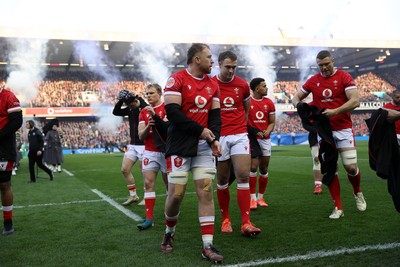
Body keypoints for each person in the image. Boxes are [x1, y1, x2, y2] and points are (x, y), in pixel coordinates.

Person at [161, 43, 223, 263]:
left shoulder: (213, 84)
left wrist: (213, 138)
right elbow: (173, 114)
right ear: (197, 59)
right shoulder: (176, 80)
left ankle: (207, 245)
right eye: (209, 57)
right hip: (180, 146)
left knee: (206, 192)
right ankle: (169, 232)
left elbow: (215, 116)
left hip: (204, 148)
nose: (212, 60)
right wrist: (201, 131)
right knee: (176, 193)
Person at [292, 50, 367, 219]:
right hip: (325, 132)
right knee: (330, 169)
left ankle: (358, 192)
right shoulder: (313, 81)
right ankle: (338, 207)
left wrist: (335, 111)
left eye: (327, 64)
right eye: (321, 65)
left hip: (343, 128)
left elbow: (355, 100)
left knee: (351, 168)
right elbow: (295, 97)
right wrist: (300, 106)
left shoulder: (344, 77)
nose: (324, 68)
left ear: (332, 61)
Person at [212, 51, 261, 236]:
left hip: (240, 134)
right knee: (223, 180)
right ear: (219, 64)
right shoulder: (211, 84)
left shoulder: (242, 85)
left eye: (234, 67)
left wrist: (240, 127)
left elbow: (246, 110)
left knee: (243, 176)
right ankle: (226, 219)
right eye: (227, 67)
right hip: (220, 136)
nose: (231, 70)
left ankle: (246, 222)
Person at [136, 84, 169, 230]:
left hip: (166, 151)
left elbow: (168, 132)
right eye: (147, 94)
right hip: (149, 151)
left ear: (160, 94)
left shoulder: (167, 108)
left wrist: (157, 119)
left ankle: (171, 212)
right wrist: (149, 125)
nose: (148, 96)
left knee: (170, 186)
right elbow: (141, 136)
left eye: (151, 93)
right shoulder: (143, 112)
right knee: (148, 184)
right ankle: (149, 218)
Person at [112, 89, 148, 206]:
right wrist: (121, 101)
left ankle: (147, 197)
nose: (129, 106)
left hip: (143, 145)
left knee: (145, 173)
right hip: (132, 145)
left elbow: (147, 108)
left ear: (134, 100)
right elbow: (115, 112)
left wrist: (140, 99)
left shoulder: (143, 108)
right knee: (125, 170)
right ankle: (133, 196)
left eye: (130, 103)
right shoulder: (130, 109)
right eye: (127, 104)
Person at [247, 78, 276, 210]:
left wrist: (267, 131)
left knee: (264, 169)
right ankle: (252, 199)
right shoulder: (248, 102)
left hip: (265, 138)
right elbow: (245, 121)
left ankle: (261, 197)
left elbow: (272, 122)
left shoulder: (269, 103)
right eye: (264, 86)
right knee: (253, 167)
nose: (266, 88)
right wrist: (255, 132)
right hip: (252, 138)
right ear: (257, 89)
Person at [0, 87, 22, 235]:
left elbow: (16, 122)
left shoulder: (8, 96)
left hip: (3, 148)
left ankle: (8, 222)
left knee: (4, 184)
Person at [308, 130, 323, 194]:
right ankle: (318, 185)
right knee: (316, 160)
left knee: (332, 160)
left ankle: (333, 180)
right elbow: (305, 124)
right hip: (314, 137)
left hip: (327, 135)